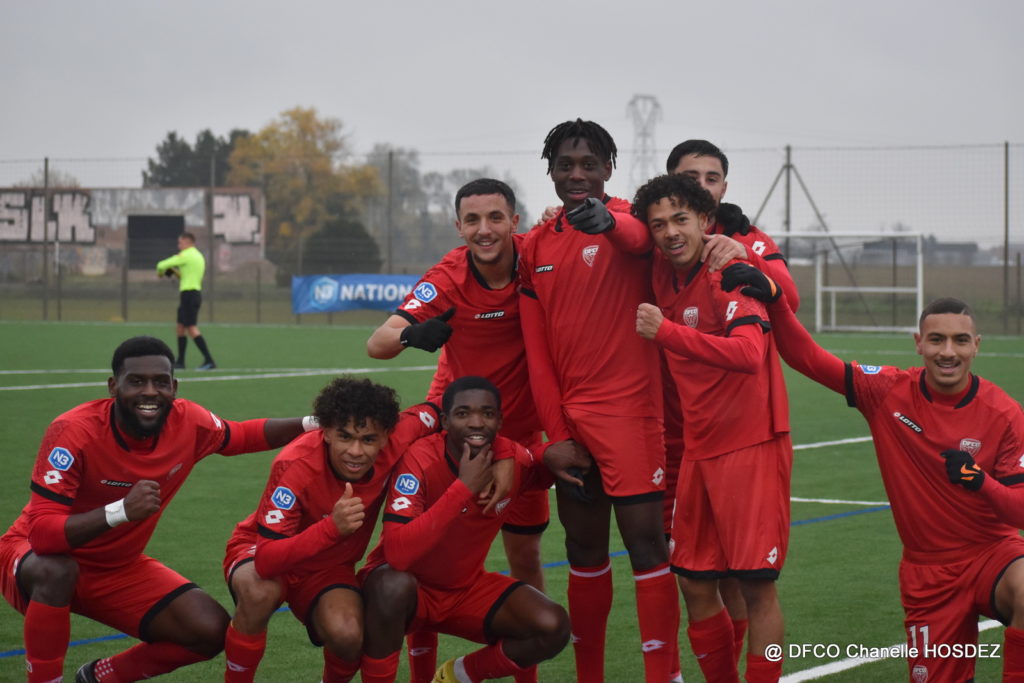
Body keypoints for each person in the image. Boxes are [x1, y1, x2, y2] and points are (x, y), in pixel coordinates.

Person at [723, 267, 1024, 682]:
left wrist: (980, 481)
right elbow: (807, 358)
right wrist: (777, 301)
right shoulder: (886, 391)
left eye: (959, 340)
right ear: (919, 344)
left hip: (993, 555)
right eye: (936, 340)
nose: (947, 351)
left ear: (976, 346)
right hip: (928, 574)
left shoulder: (1005, 414)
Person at [0, 336, 307, 683]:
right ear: (113, 386)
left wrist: (312, 423)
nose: (150, 392)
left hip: (117, 567)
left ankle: (101, 676)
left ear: (174, 387)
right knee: (56, 570)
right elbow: (41, 536)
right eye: (137, 381)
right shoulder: (73, 431)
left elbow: (242, 435)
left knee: (209, 631)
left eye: (161, 382)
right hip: (33, 557)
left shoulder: (189, 420)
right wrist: (120, 511)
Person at [365, 178, 549, 681]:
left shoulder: (539, 257)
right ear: (458, 226)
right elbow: (377, 343)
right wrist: (411, 333)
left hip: (521, 435)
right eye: (472, 220)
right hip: (456, 426)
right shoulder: (447, 275)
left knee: (526, 557)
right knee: (427, 556)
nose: (484, 230)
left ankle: (501, 674)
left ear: (515, 222)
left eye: (495, 218)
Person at [517, 118, 679, 682]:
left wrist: (609, 222)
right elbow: (538, 356)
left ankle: (665, 675)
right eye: (565, 165)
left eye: (590, 163)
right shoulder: (535, 245)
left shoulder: (633, 226)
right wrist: (555, 435)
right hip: (572, 427)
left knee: (646, 547)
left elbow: (635, 238)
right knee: (584, 552)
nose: (577, 173)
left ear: (610, 168)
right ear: (551, 172)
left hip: (632, 418)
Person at [631, 174, 792, 682]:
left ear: (705, 221)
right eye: (658, 224)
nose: (670, 232)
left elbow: (749, 354)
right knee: (696, 583)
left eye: (681, 220)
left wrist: (669, 333)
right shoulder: (663, 271)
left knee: (755, 586)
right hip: (699, 451)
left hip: (750, 446)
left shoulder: (729, 270)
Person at [221, 377, 441, 683]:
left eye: (368, 440)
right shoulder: (295, 464)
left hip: (329, 565)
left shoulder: (401, 434)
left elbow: (446, 408)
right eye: (345, 436)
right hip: (263, 548)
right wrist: (331, 528)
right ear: (325, 432)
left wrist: (501, 457)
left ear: (387, 436)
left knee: (349, 635)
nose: (355, 450)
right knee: (260, 592)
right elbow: (268, 560)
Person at [359, 376, 570, 683]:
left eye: (487, 413)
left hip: (464, 591)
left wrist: (539, 454)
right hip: (406, 589)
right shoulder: (419, 459)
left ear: (499, 420)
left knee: (552, 625)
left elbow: (539, 463)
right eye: (462, 414)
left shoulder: (511, 460)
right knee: (393, 585)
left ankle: (458, 675)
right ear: (444, 420)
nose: (476, 422)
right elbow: (399, 555)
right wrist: (463, 488)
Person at [665, 139, 800, 311]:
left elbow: (791, 303)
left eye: (712, 180)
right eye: (691, 178)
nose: (702, 187)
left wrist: (748, 255)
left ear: (723, 189)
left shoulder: (750, 241)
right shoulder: (651, 237)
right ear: (668, 183)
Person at [156, 231, 216, 370]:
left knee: (191, 328)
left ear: (188, 242)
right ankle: (181, 362)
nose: (179, 245)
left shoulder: (186, 255)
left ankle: (209, 360)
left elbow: (160, 265)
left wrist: (160, 274)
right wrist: (175, 272)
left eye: (180, 242)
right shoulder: (198, 256)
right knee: (180, 327)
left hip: (190, 294)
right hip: (191, 294)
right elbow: (185, 276)